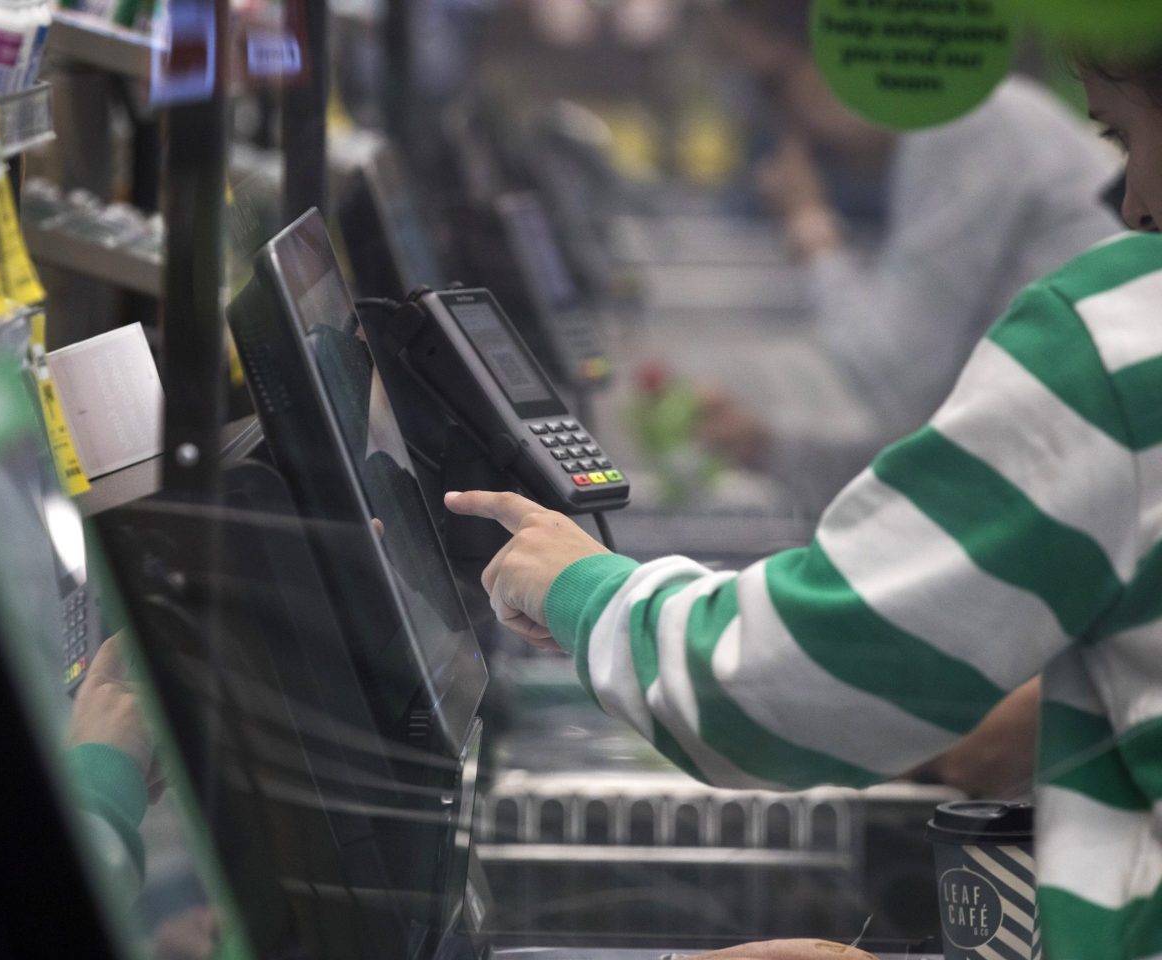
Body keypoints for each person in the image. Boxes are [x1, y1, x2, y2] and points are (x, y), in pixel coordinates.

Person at [446, 47, 1162, 960]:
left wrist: (584, 587)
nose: (1131, 203)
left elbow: (806, 680)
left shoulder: (1121, 333)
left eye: (1126, 134)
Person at [691, 0, 1123, 511]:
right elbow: (937, 425)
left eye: (776, 85)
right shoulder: (966, 132)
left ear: (841, 58)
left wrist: (812, 232)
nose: (787, 125)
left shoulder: (965, 127)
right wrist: (776, 450)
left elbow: (890, 377)